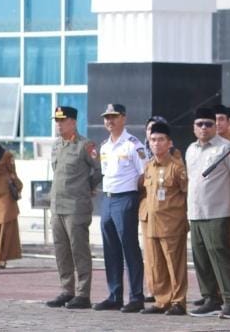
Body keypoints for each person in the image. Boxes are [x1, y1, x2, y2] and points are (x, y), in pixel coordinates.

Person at [186, 108, 230, 318]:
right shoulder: (190, 149)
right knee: (200, 257)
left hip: (218, 210)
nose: (204, 128)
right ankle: (210, 297)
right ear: (194, 127)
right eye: (199, 124)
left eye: (208, 124)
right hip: (195, 211)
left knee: (220, 254)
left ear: (215, 126)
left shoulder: (225, 148)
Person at [45, 106, 102, 309]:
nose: (58, 124)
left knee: (79, 250)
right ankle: (66, 290)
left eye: (62, 120)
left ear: (73, 122)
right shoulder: (56, 145)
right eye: (57, 121)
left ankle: (83, 293)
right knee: (61, 251)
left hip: (76, 207)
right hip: (57, 206)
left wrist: (88, 187)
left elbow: (98, 170)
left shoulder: (85, 145)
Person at [95, 104, 146, 313]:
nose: (109, 121)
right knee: (110, 249)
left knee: (129, 248)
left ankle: (136, 296)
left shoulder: (133, 145)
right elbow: (105, 173)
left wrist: (134, 197)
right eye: (107, 117)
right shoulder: (105, 146)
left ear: (123, 118)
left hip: (126, 198)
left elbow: (144, 174)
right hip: (107, 199)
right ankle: (114, 295)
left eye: (114, 117)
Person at [139, 122, 189, 316]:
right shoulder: (149, 166)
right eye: (153, 140)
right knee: (154, 264)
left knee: (174, 263)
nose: (156, 144)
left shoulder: (176, 167)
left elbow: (186, 193)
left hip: (171, 223)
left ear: (169, 143)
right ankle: (162, 300)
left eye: (161, 140)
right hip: (150, 223)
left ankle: (178, 301)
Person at [0, 132, 22, 269]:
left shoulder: (6, 156)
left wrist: (16, 185)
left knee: (4, 227)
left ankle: (1, 259)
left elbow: (14, 175)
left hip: (4, 196)